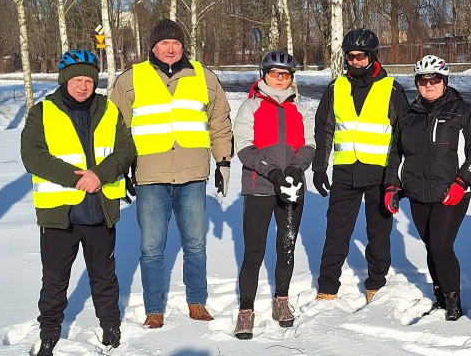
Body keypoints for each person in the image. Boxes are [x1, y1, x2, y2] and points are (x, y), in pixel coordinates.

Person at [111, 18, 233, 328]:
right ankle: (154, 308)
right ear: (152, 46)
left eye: (176, 43)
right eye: (164, 43)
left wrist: (223, 162)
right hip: (150, 177)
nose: (170, 48)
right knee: (151, 247)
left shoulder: (204, 78)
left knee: (195, 244)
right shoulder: (131, 80)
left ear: (183, 46)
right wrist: (121, 169)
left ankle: (197, 301)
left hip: (193, 175)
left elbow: (219, 123)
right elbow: (116, 129)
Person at [20, 49, 136, 356]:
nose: (83, 86)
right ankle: (49, 332)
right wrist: (76, 178)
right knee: (55, 279)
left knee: (104, 275)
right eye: (76, 80)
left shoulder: (109, 110)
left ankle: (110, 326)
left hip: (100, 211)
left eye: (88, 79)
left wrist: (99, 175)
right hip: (60, 216)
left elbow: (126, 150)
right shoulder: (43, 112)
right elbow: (32, 155)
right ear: (64, 81)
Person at [384, 55, 471, 320]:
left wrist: (462, 181)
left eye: (434, 80)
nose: (429, 85)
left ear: (444, 81)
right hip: (418, 193)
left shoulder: (463, 111)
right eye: (423, 80)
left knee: (441, 247)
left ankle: (453, 301)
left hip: (451, 192)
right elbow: (395, 152)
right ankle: (439, 295)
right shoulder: (408, 116)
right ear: (417, 83)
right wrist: (391, 186)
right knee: (432, 246)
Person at [312, 28, 409, 301]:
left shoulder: (391, 90)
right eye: (350, 57)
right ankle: (327, 287)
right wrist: (320, 167)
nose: (355, 62)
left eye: (360, 57)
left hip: (379, 174)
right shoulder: (335, 88)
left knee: (378, 233)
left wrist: (395, 176)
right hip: (344, 172)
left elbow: (402, 135)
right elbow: (324, 130)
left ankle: (375, 284)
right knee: (336, 232)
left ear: (372, 56)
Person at [232, 50, 315, 339]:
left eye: (285, 74)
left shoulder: (300, 108)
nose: (280, 79)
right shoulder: (250, 106)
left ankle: (281, 299)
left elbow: (309, 144)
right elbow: (244, 147)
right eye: (274, 73)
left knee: (286, 245)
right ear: (264, 74)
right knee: (254, 251)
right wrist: (272, 172)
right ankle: (246, 310)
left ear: (291, 78)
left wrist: (293, 170)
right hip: (260, 187)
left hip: (291, 187)